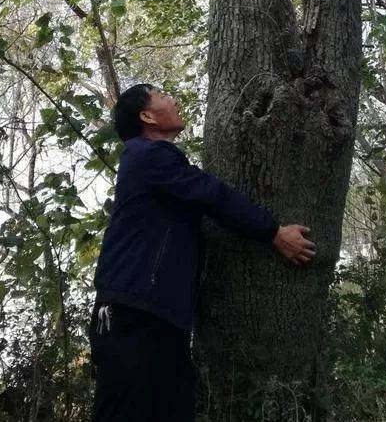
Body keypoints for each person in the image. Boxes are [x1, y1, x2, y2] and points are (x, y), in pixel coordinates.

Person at [89, 83, 316, 422]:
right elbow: (212, 194)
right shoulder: (145, 155)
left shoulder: (153, 163)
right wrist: (273, 232)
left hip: (158, 317)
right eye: (162, 95)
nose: (173, 100)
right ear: (147, 115)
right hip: (133, 315)